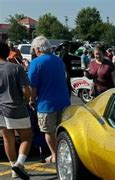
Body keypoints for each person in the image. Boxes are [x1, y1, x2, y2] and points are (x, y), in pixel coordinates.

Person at [28, 36, 70, 164]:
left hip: (46, 104)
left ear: (38, 49)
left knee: (49, 131)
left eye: (34, 49)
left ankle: (55, 155)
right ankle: (63, 155)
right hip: (63, 101)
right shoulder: (58, 61)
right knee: (61, 131)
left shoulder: (36, 62)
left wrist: (31, 100)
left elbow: (32, 86)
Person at [0, 41, 33, 180]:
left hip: (0, 109)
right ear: (8, 52)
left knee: (8, 139)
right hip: (15, 107)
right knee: (27, 137)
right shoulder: (16, 68)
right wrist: (28, 99)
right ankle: (19, 164)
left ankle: (13, 166)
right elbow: (26, 90)